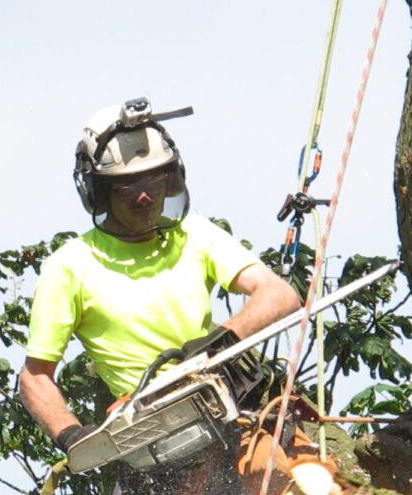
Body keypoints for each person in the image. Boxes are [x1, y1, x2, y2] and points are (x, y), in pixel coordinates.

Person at [20, 96, 299, 457]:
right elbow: (34, 377)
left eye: (155, 180)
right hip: (156, 430)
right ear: (98, 191)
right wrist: (72, 436)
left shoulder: (195, 234)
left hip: (231, 400)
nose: (145, 196)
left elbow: (279, 295)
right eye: (128, 186)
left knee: (315, 480)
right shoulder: (70, 266)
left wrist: (220, 342)